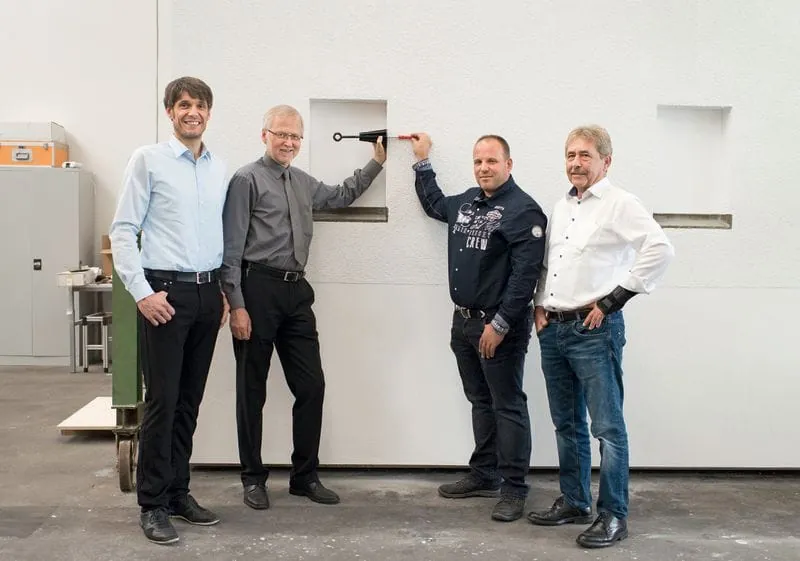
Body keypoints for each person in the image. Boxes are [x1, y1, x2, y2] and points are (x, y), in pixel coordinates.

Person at [221, 104, 386, 509]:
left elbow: (340, 195)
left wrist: (376, 163)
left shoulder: (301, 181)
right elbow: (230, 249)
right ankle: (253, 479)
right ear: (264, 135)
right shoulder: (246, 179)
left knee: (312, 386)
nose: (289, 142)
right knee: (251, 390)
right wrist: (236, 305)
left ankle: (305, 476)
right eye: (281, 134)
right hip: (256, 290)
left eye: (295, 136)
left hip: (296, 293)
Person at [527, 125, 674, 548]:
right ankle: (575, 502)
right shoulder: (561, 207)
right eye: (570, 155)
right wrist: (539, 306)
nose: (576, 163)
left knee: (607, 428)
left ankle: (613, 515)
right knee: (567, 423)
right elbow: (550, 264)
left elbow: (660, 249)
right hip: (554, 330)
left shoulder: (620, 204)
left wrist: (613, 300)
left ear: (605, 162)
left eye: (585, 155)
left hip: (594, 332)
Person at [110, 76, 230, 545]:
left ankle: (179, 492)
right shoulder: (148, 160)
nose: (191, 112)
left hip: (206, 294)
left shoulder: (218, 168)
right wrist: (142, 293)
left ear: (209, 113)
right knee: (162, 401)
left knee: (189, 402)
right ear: (170, 112)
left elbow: (218, 234)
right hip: (164, 294)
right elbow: (123, 230)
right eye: (183, 105)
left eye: (199, 105)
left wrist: (221, 290)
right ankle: (153, 504)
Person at [407, 132, 547, 522]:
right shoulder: (468, 203)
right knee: (480, 401)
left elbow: (525, 277)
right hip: (464, 323)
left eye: (491, 161)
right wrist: (421, 161)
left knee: (507, 404)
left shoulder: (524, 211)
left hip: (498, 327)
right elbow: (435, 205)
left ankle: (514, 488)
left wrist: (499, 325)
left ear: (508, 165)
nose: (484, 168)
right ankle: (485, 474)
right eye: (478, 162)